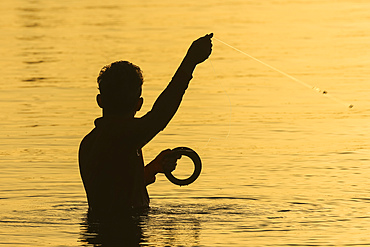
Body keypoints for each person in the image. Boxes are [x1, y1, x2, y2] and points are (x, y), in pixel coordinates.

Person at [78, 33, 213, 219]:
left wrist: (153, 168)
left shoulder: (88, 143)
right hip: (126, 231)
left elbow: (116, 188)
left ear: (100, 101)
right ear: (138, 105)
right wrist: (190, 61)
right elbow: (160, 115)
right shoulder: (125, 136)